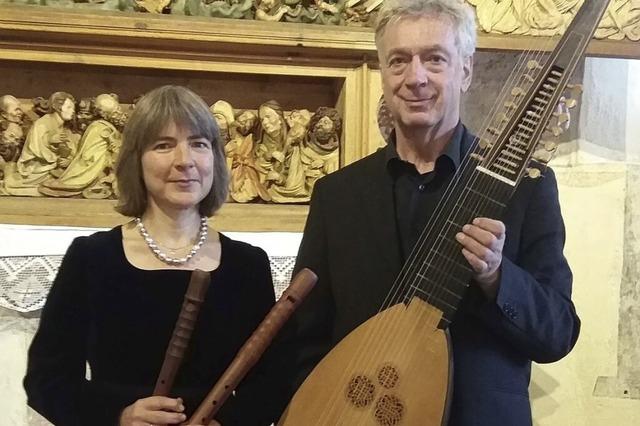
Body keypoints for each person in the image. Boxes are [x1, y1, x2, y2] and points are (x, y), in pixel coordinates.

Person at [280, 0, 580, 425]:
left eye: (434, 59)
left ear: (466, 70)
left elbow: (558, 333)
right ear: (383, 73)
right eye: (398, 61)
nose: (414, 78)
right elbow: (304, 342)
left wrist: (497, 277)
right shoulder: (337, 195)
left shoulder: (526, 187)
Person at [24, 85, 281, 426]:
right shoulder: (91, 258)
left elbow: (274, 383)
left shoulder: (247, 265)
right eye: (163, 145)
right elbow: (47, 379)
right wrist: (118, 414)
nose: (184, 160)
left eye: (199, 144)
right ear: (136, 160)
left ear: (215, 159)